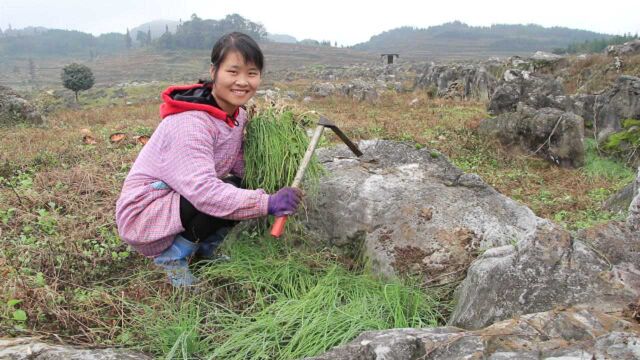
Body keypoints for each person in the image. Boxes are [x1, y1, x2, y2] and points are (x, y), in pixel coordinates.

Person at [115, 32, 302, 287]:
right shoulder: (191, 123)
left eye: (252, 73)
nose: (243, 82)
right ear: (214, 71)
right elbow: (203, 192)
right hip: (146, 212)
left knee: (240, 186)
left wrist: (276, 171)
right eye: (233, 72)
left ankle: (205, 250)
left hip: (179, 199)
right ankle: (172, 257)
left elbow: (236, 162)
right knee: (221, 194)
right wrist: (267, 202)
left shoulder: (236, 116)